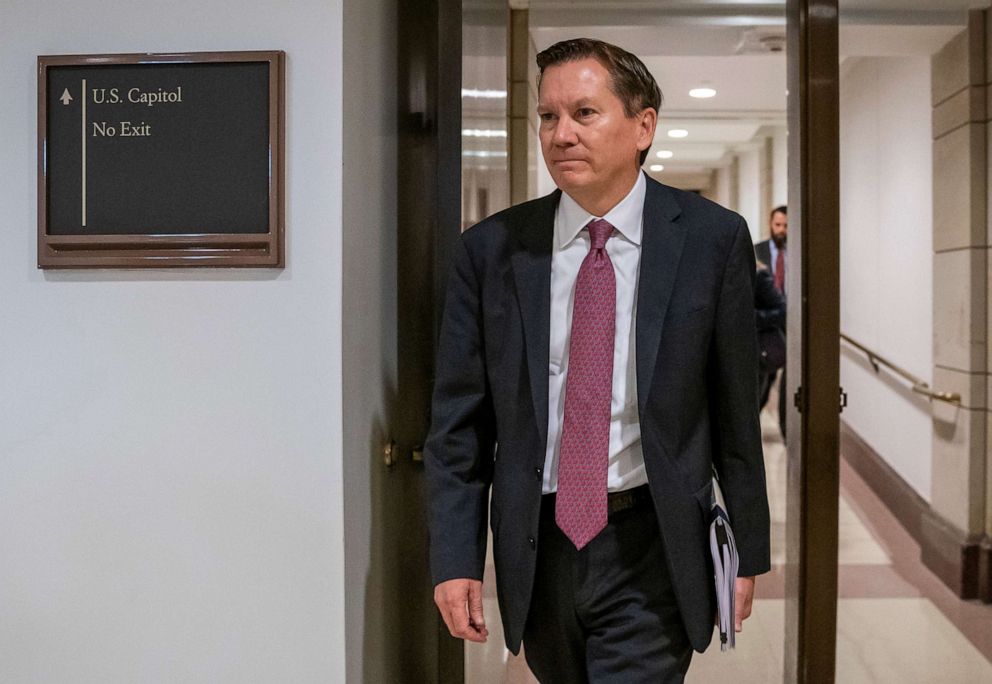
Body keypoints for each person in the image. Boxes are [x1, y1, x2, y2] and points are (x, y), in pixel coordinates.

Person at [425, 38, 770, 683]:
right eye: (549, 117)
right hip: (539, 544)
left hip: (655, 543)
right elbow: (458, 426)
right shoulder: (492, 250)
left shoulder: (709, 239)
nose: (561, 135)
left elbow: (734, 412)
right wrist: (455, 557)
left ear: (643, 126)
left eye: (584, 113)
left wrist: (747, 550)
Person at [754, 206, 788, 438]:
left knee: (783, 385)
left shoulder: (799, 253)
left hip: (782, 330)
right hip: (759, 338)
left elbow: (783, 305)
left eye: (786, 226)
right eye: (778, 225)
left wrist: (751, 319)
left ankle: (788, 432)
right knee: (761, 387)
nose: (782, 230)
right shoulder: (756, 252)